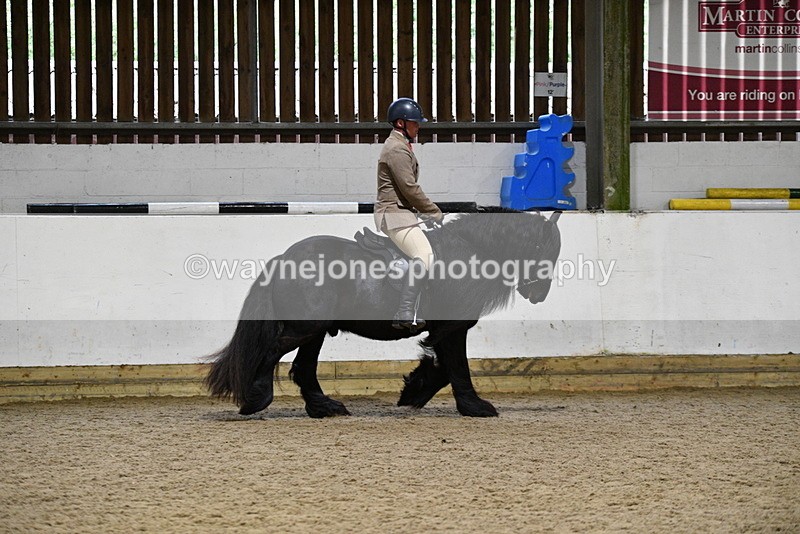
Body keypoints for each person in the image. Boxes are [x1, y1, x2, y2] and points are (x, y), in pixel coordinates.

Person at [375, 97, 443, 331]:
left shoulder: (401, 145)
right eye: (415, 122)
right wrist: (432, 211)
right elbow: (409, 187)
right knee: (424, 255)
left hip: (401, 213)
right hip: (394, 215)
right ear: (401, 123)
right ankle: (404, 310)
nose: (419, 126)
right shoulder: (396, 149)